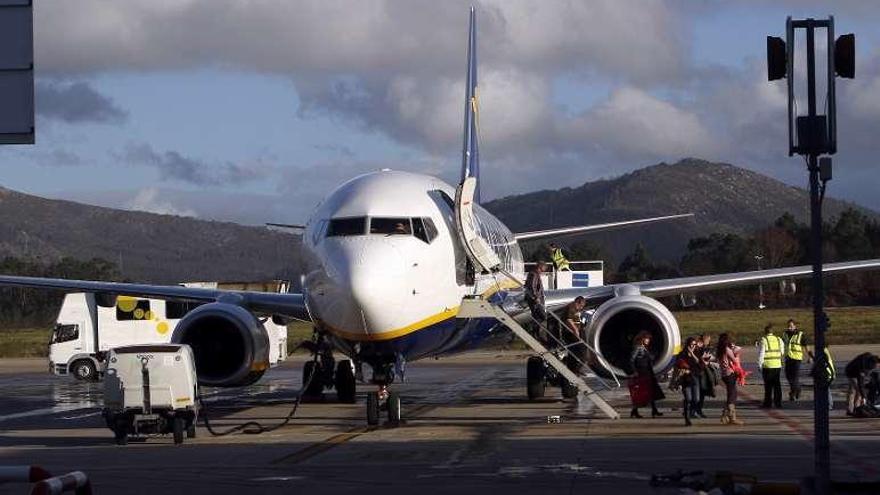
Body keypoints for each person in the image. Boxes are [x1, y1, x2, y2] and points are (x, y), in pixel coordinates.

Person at [629, 330, 664, 419]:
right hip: (642, 372)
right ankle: (635, 410)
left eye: (648, 339)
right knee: (643, 392)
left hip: (648, 372)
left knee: (651, 391)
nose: (648, 340)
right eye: (646, 339)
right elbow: (632, 360)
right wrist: (635, 371)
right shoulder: (638, 348)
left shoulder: (644, 348)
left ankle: (653, 410)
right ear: (642, 339)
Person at [783, 319, 813, 402]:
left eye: (791, 326)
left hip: (797, 359)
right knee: (788, 376)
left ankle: (793, 393)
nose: (790, 328)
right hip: (788, 358)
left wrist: (810, 357)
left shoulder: (800, 334)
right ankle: (797, 389)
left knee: (795, 377)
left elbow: (806, 346)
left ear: (795, 326)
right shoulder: (784, 334)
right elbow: (782, 345)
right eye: (788, 326)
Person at [717, 333, 744, 425]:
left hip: (724, 374)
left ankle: (725, 416)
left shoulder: (719, 350)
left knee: (730, 394)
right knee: (733, 395)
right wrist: (736, 353)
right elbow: (734, 360)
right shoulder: (727, 349)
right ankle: (732, 417)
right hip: (730, 374)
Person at [674, 337, 702, 426]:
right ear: (687, 345)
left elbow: (699, 364)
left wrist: (692, 354)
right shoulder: (682, 354)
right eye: (691, 344)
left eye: (694, 344)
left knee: (696, 399)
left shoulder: (697, 353)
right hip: (686, 379)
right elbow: (677, 364)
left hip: (695, 379)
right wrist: (683, 370)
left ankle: (691, 412)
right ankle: (687, 418)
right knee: (688, 399)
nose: (692, 346)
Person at [757, 323, 785, 409]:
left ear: (765, 331)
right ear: (773, 331)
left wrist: (759, 364)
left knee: (768, 385)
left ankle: (767, 403)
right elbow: (782, 351)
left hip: (767, 366)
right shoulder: (778, 339)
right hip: (777, 365)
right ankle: (778, 403)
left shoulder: (764, 340)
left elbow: (762, 353)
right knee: (777, 385)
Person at [561, 296, 588, 374]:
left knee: (575, 353)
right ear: (578, 302)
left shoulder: (575, 309)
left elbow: (576, 320)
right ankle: (575, 370)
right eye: (581, 306)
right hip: (571, 334)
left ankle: (574, 370)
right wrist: (576, 331)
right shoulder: (571, 307)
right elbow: (568, 320)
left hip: (576, 332)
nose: (581, 308)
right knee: (582, 353)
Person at [693, 333, 716, 418]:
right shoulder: (697, 348)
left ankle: (698, 410)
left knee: (702, 393)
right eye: (707, 340)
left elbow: (713, 358)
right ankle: (694, 410)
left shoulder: (707, 348)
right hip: (698, 373)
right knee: (697, 394)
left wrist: (709, 358)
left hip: (703, 373)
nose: (709, 342)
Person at [524, 262, 546, 337]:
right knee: (542, 316)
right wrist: (536, 297)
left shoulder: (535, 274)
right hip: (534, 300)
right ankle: (533, 331)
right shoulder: (534, 274)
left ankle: (535, 333)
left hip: (535, 299)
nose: (542, 272)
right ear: (539, 268)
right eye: (542, 270)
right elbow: (532, 286)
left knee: (537, 316)